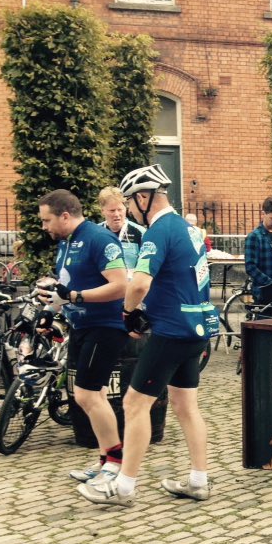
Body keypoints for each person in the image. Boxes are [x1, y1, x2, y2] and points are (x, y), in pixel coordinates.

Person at [77, 164, 216, 508]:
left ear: (143, 197)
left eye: (130, 200)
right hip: (196, 328)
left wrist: (128, 311)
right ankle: (199, 480)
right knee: (186, 406)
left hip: (170, 330)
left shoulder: (158, 230)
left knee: (134, 404)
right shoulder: (188, 229)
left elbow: (138, 282)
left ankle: (123, 487)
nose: (129, 208)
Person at [36, 190, 129, 484]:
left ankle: (115, 465)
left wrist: (77, 296)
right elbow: (64, 288)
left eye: (47, 220)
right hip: (81, 326)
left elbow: (120, 286)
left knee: (87, 395)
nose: (44, 226)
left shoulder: (98, 239)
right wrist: (50, 311)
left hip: (104, 326)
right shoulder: (66, 243)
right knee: (93, 395)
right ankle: (106, 461)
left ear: (65, 216)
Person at [97, 186, 146, 271]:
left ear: (126, 209)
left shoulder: (140, 232)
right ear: (102, 211)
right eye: (112, 210)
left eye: (120, 209)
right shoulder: (95, 233)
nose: (117, 214)